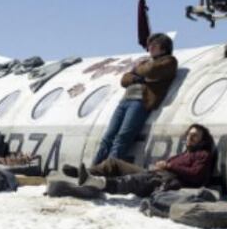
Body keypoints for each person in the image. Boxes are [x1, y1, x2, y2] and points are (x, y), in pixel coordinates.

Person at [91, 33, 178, 165]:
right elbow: (124, 79)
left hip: (140, 102)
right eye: (150, 45)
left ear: (164, 48)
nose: (151, 47)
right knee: (108, 136)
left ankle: (107, 170)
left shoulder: (169, 61)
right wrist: (137, 76)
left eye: (155, 45)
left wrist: (137, 71)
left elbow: (151, 71)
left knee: (123, 137)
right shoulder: (145, 62)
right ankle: (94, 167)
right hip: (125, 101)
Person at [66, 124, 216, 197]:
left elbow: (196, 175)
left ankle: (97, 182)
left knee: (132, 180)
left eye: (195, 135)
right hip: (156, 174)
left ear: (203, 140)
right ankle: (83, 173)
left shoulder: (203, 155)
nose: (189, 137)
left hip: (167, 182)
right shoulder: (183, 154)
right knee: (113, 162)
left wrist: (169, 165)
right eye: (189, 134)